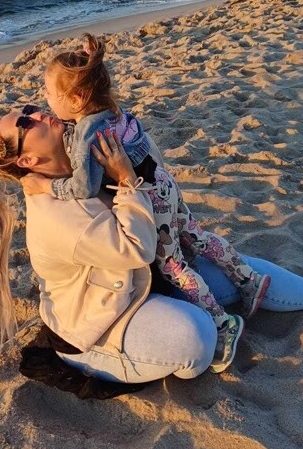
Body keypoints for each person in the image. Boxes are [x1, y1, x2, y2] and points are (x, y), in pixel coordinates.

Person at [0, 108, 303, 386]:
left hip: (147, 284)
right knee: (195, 337)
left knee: (242, 270)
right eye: (27, 124)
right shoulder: (55, 215)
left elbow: (161, 181)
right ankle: (108, 359)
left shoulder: (83, 161)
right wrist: (125, 180)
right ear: (26, 161)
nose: (38, 114)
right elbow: (137, 249)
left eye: (31, 109)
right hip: (103, 323)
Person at [20, 35, 278, 373]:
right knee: (197, 236)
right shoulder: (111, 110)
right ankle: (248, 279)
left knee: (173, 267)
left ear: (77, 97)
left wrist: (49, 186)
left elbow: (85, 186)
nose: (46, 100)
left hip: (148, 198)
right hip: (164, 184)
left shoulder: (86, 134)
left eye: (50, 94)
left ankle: (221, 324)